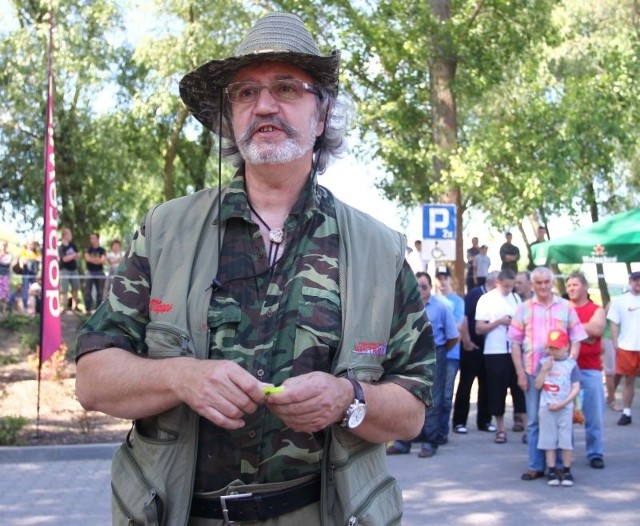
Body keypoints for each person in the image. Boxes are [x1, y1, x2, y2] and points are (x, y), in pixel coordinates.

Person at [75, 13, 435, 526]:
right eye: (245, 93)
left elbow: (414, 410)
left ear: (323, 110)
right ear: (231, 115)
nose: (264, 105)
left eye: (287, 87)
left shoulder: (377, 250)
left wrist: (348, 398)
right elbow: (92, 381)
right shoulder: (165, 231)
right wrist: (181, 377)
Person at [508, 266, 587, 481]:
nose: (543, 286)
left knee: (563, 420)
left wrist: (570, 364)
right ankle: (536, 465)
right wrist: (520, 374)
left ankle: (562, 465)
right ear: (532, 285)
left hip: (560, 378)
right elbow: (514, 343)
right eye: (538, 283)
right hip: (534, 373)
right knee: (534, 421)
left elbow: (578, 337)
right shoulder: (523, 308)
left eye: (546, 282)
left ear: (552, 283)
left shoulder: (566, 307)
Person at [387, 271, 458, 458]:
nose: (420, 290)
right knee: (406, 397)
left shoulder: (441, 308)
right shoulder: (404, 307)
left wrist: (437, 351)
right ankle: (403, 443)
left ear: (430, 288)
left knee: (432, 398)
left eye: (424, 287)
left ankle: (429, 442)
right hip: (409, 355)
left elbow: (452, 337)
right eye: (416, 286)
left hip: (436, 356)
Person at [475, 270, 525, 444]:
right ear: (498, 282)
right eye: (505, 286)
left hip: (514, 349)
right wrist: (498, 322)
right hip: (494, 350)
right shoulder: (486, 299)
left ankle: (526, 426)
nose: (508, 289)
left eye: (511, 286)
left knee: (519, 389)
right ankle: (500, 428)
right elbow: (479, 328)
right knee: (497, 390)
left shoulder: (516, 299)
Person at [566, 271, 606, 468]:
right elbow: (557, 329)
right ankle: (566, 454)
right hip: (565, 370)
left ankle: (595, 453)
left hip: (590, 369)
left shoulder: (596, 309)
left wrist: (573, 329)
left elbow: (597, 329)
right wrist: (584, 332)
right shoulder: (563, 308)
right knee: (565, 415)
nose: (572, 288)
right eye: (569, 286)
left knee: (594, 414)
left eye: (575, 285)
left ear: (585, 287)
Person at [435, 265, 479, 439]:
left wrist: (442, 320)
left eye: (445, 277)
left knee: (446, 396)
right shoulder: (429, 299)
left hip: (451, 354)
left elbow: (459, 327)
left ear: (450, 279)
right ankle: (429, 432)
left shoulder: (457, 301)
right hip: (431, 355)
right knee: (430, 396)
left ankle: (442, 431)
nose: (442, 281)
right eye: (439, 277)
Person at [452, 271, 498, 435]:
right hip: (472, 347)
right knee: (466, 384)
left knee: (486, 386)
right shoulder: (474, 294)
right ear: (494, 283)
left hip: (489, 349)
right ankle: (459, 421)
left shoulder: (498, 299)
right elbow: (464, 318)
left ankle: (485, 421)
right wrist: (466, 340)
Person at [534, 328, 581, 487]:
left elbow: (575, 388)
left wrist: (563, 403)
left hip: (564, 407)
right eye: (550, 347)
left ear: (566, 347)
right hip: (546, 407)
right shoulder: (543, 363)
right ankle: (552, 470)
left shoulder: (571, 365)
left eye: (556, 348)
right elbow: (537, 385)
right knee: (549, 440)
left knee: (565, 440)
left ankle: (567, 470)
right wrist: (544, 371)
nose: (553, 351)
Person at [606, 270, 640, 426]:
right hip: (627, 345)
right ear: (630, 281)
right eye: (635, 280)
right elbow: (614, 322)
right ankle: (626, 412)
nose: (638, 283)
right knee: (629, 379)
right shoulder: (620, 300)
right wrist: (615, 342)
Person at [58, 228, 81, 312]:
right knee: (64, 289)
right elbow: (64, 259)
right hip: (65, 270)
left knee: (75, 288)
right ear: (65, 235)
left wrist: (72, 256)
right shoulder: (61, 247)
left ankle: (74, 307)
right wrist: (73, 255)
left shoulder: (73, 245)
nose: (71, 236)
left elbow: (78, 255)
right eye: (70, 234)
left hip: (74, 269)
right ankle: (63, 307)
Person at [83, 233, 106, 314]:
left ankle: (98, 311)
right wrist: (97, 260)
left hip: (100, 272)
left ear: (97, 239)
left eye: (93, 238)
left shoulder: (102, 250)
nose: (92, 239)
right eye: (91, 238)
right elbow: (87, 259)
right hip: (89, 272)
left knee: (100, 292)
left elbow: (102, 261)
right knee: (87, 292)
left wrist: (92, 259)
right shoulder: (87, 249)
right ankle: (87, 310)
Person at [18, 240, 40, 311]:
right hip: (26, 272)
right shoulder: (24, 251)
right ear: (27, 245)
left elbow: (40, 259)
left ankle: (35, 307)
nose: (31, 246)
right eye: (30, 244)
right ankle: (25, 306)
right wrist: (30, 260)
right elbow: (22, 261)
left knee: (34, 288)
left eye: (32, 244)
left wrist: (33, 259)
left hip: (34, 272)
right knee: (26, 288)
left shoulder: (36, 252)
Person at [0, 240, 12, 313]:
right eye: (2, 244)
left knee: (5, 294)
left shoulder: (9, 255)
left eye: (4, 244)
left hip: (5, 276)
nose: (3, 246)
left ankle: (4, 312)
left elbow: (7, 263)